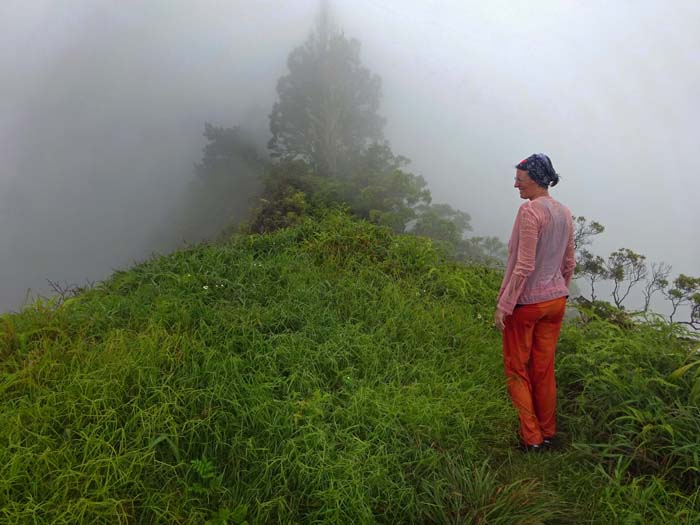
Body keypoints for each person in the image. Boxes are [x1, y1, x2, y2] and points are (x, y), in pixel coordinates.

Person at [494, 153, 575, 452]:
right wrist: (558, 290)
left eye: (520, 180)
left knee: (517, 369)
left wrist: (505, 304)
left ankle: (532, 439)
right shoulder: (564, 212)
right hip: (556, 302)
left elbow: (524, 266)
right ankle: (549, 431)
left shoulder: (529, 212)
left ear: (537, 180)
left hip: (527, 304)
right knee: (543, 368)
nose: (516, 186)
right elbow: (570, 262)